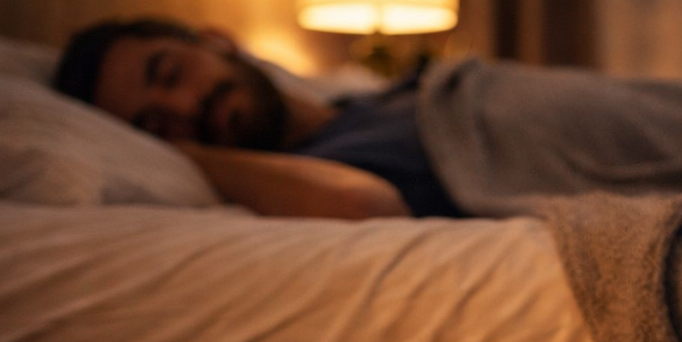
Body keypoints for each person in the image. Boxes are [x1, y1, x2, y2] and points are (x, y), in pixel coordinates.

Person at [54, 17, 463, 220]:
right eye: (154, 124)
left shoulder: (377, 97)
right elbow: (365, 204)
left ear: (217, 42)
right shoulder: (314, 172)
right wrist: (191, 154)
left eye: (171, 74)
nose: (182, 108)